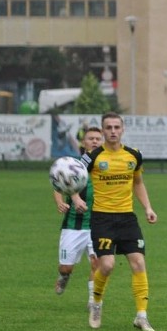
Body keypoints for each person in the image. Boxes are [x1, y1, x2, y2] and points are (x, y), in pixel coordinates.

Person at [74, 112, 158, 331]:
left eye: (116, 127)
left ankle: (141, 316)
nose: (112, 131)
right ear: (102, 131)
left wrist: (148, 207)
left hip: (127, 217)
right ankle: (97, 303)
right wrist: (75, 199)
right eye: (108, 127)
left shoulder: (133, 155)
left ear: (122, 129)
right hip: (102, 218)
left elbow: (138, 182)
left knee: (139, 263)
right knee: (107, 265)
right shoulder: (91, 157)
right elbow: (74, 179)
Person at [53, 126, 103, 305]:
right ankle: (63, 276)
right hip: (74, 224)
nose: (95, 141)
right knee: (66, 267)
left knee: (97, 263)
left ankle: (93, 300)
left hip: (99, 224)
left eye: (98, 138)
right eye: (91, 138)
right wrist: (62, 202)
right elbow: (57, 185)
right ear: (84, 142)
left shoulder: (107, 164)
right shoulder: (74, 165)